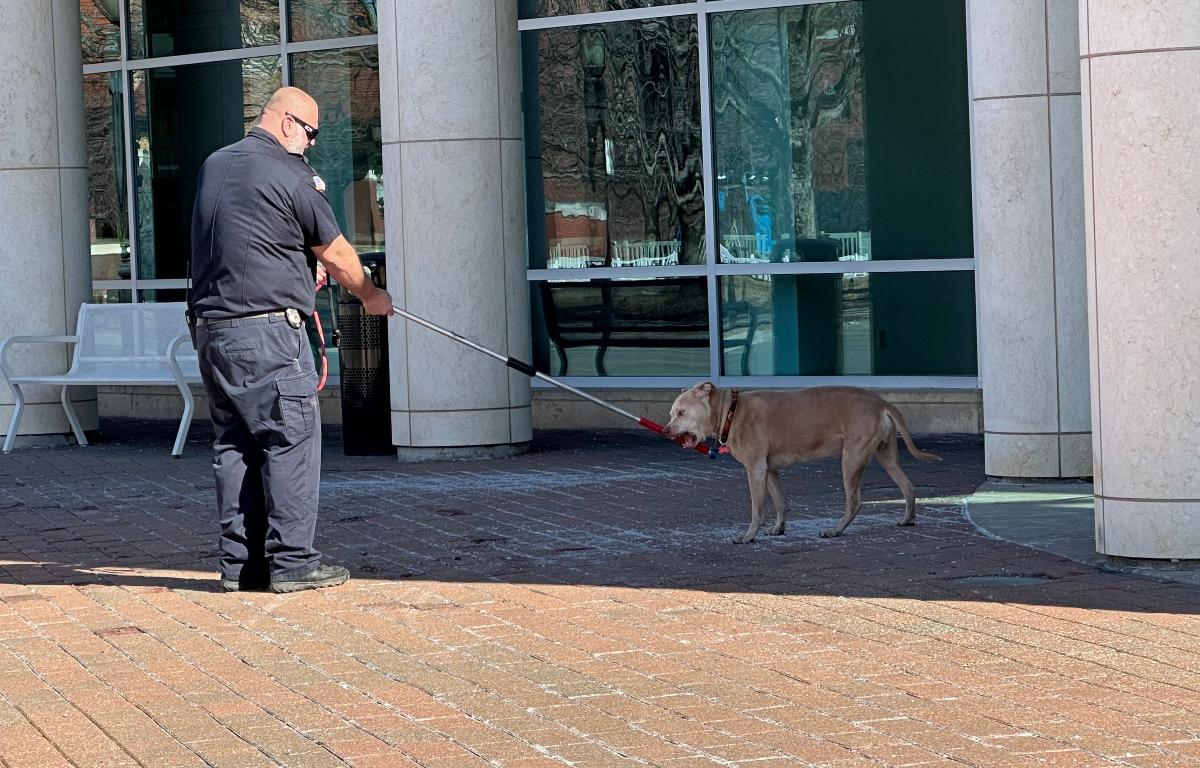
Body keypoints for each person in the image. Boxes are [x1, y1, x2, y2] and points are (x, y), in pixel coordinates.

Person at [188, 86, 394, 594]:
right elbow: (338, 252)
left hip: (213, 329)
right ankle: (294, 562)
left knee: (234, 446)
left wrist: (296, 270)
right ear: (286, 123)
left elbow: (246, 239)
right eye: (311, 132)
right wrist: (371, 295)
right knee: (291, 440)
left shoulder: (215, 165)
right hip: (268, 334)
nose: (311, 144)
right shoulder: (290, 172)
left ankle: (240, 567)